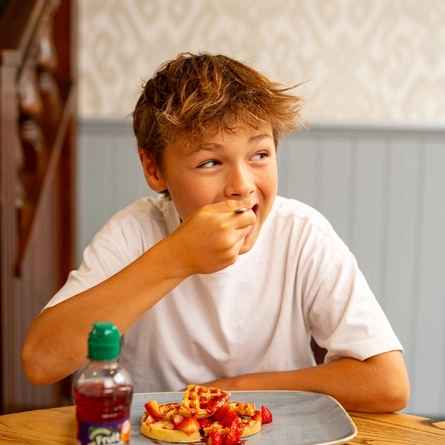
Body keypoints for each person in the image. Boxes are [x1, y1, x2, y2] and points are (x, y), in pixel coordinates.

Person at [22, 52, 409, 413]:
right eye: (210, 161)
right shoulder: (133, 233)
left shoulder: (302, 235)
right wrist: (175, 258)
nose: (242, 185)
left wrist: (236, 387)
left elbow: (388, 383)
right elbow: (41, 362)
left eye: (260, 154)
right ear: (154, 169)